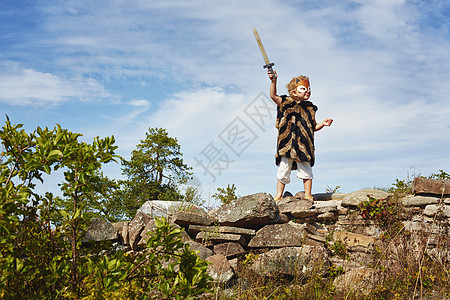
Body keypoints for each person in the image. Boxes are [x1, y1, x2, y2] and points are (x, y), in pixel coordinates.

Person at [268, 70, 333, 201]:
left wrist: (323, 124)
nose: (307, 91)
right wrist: (273, 81)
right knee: (283, 170)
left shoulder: (310, 109)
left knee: (306, 170)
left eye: (309, 89)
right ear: (294, 92)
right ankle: (279, 195)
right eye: (303, 89)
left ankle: (308, 194)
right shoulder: (285, 103)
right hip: (287, 144)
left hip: (304, 146)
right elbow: (273, 95)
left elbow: (313, 127)